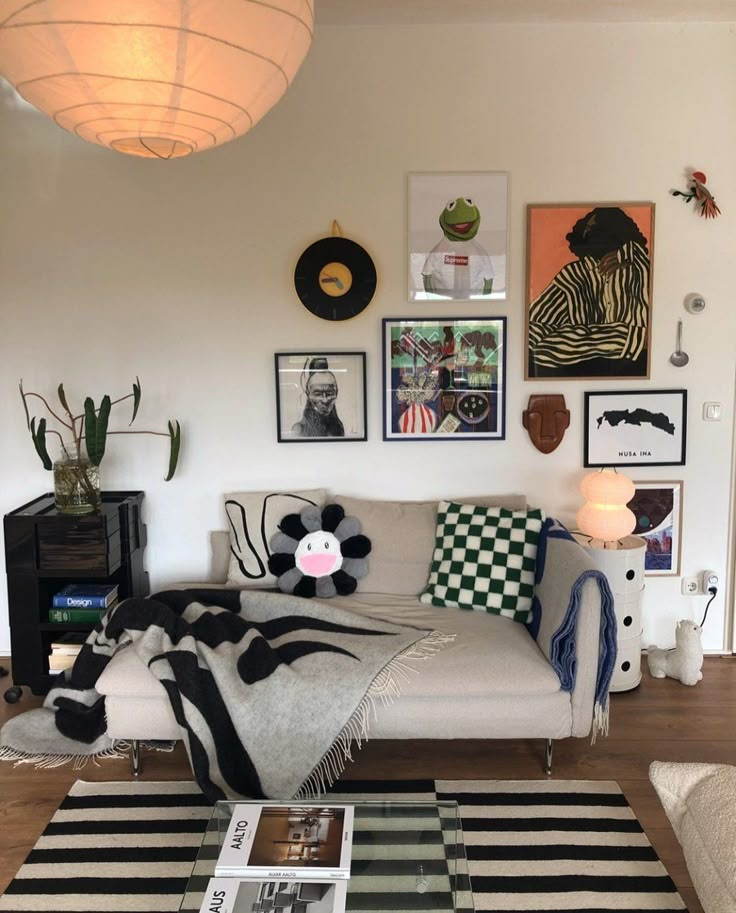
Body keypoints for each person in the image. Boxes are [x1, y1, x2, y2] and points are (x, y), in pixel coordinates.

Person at [527, 207, 650, 377]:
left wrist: (630, 253)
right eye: (588, 228)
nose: (590, 231)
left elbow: (656, 338)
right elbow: (532, 334)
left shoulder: (642, 269)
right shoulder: (575, 275)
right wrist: (629, 337)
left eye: (598, 226)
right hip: (581, 371)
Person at [291, 357, 345, 437]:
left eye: (330, 393)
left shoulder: (338, 428)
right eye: (317, 393)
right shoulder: (299, 430)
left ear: (336, 393)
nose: (325, 400)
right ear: (308, 394)